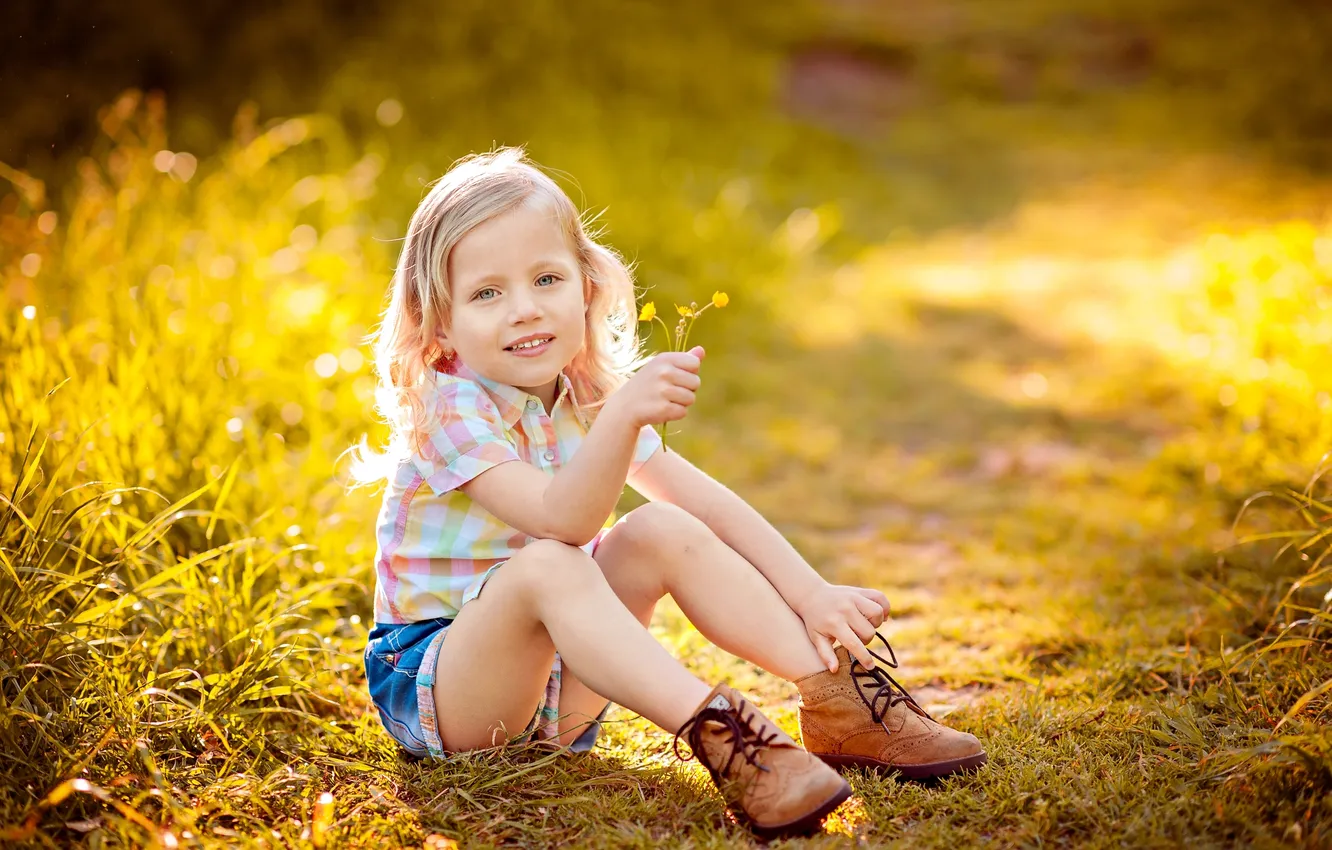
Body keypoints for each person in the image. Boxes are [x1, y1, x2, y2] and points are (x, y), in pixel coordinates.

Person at [348, 146, 986, 838]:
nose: (525, 311)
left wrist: (812, 595)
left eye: (546, 279)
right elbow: (560, 520)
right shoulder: (449, 407)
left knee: (658, 529)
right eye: (487, 293)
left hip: (562, 697)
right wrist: (623, 418)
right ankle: (730, 739)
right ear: (439, 323)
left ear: (586, 286)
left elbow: (705, 504)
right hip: (447, 691)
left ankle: (839, 701)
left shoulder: (586, 393)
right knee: (551, 563)